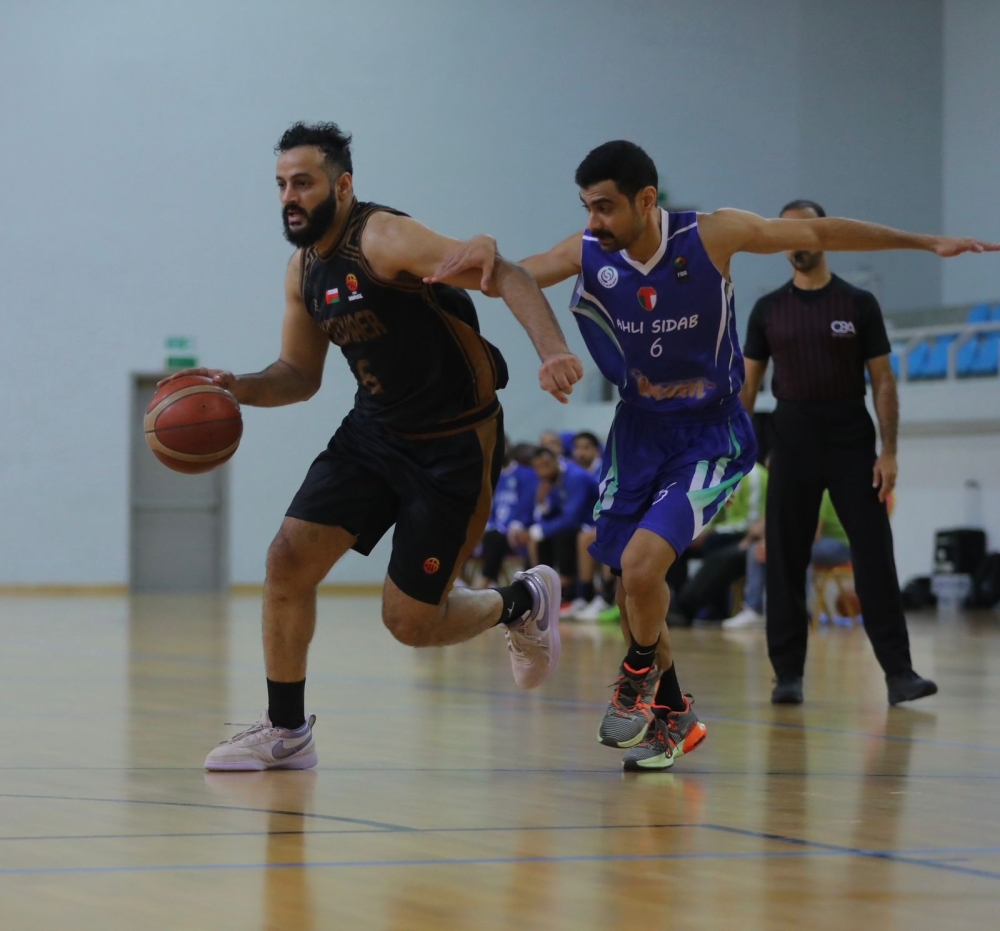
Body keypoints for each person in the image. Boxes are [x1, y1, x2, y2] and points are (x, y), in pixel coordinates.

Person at [429, 141, 998, 768]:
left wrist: (926, 243)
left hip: (710, 434)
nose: (592, 221)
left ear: (646, 201)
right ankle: (674, 714)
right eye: (587, 207)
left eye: (605, 207)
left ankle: (634, 681)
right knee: (631, 589)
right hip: (638, 433)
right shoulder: (587, 252)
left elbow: (819, 228)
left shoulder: (712, 236)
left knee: (644, 570)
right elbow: (506, 277)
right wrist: (475, 253)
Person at [160, 122, 585, 771]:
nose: (289, 197)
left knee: (410, 623)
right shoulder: (303, 270)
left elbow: (508, 273)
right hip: (376, 430)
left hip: (454, 442)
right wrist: (236, 387)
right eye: (280, 185)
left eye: (302, 182)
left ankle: (523, 602)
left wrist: (552, 351)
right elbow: (300, 375)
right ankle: (286, 730)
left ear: (343, 183)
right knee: (286, 560)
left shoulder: (385, 238)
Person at [740, 199, 992, 704]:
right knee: (786, 560)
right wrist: (735, 451)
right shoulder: (767, 309)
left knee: (875, 556)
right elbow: (747, 388)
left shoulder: (857, 304)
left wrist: (889, 451)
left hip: (852, 437)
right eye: (783, 233)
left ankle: (899, 674)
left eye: (806, 229)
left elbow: (883, 381)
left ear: (827, 234)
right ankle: (787, 674)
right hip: (791, 437)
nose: (795, 240)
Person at [727, 489, 853, 629]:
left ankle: (798, 611)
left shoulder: (818, 490)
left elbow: (813, 534)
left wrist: (777, 544)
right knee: (756, 550)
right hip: (807, 541)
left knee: (798, 552)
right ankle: (753, 609)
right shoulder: (786, 490)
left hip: (840, 546)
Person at [671, 460, 768, 626]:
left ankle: (689, 605)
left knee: (717, 551)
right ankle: (674, 606)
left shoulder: (753, 475)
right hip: (727, 533)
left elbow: (752, 521)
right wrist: (698, 532)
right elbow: (714, 513)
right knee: (677, 547)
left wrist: (711, 533)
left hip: (748, 535)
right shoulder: (722, 476)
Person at [509, 446, 599, 596]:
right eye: (538, 468)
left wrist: (537, 531)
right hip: (576, 525)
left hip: (593, 523)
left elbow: (572, 518)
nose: (542, 471)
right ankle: (542, 589)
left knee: (561, 534)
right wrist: (542, 503)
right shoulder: (551, 480)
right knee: (537, 540)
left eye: (546, 465)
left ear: (557, 460)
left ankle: (570, 591)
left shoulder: (575, 477)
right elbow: (555, 515)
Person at [475, 441, 538, 588]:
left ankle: (484, 582)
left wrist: (517, 524)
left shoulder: (527, 474)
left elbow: (528, 504)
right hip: (495, 530)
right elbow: (487, 506)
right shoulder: (490, 475)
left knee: (494, 538)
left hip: (518, 531)